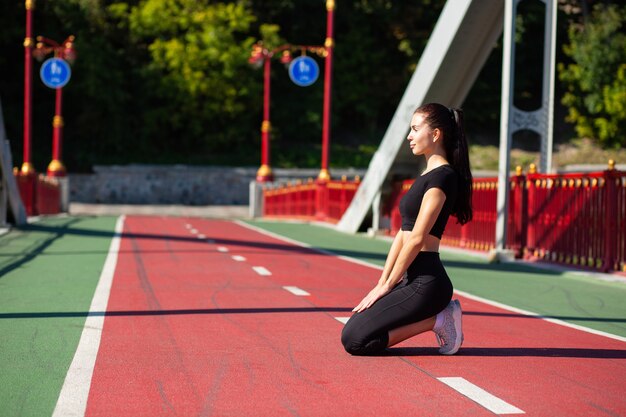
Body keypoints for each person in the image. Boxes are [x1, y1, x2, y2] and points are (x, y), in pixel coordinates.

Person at [341, 102, 473, 356]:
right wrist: (381, 282)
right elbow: (403, 234)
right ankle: (438, 317)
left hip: (427, 282)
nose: (409, 136)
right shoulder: (426, 176)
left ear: (435, 134)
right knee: (352, 332)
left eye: (415, 129)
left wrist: (388, 285)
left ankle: (439, 320)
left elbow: (416, 239)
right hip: (410, 279)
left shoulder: (444, 178)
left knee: (356, 342)